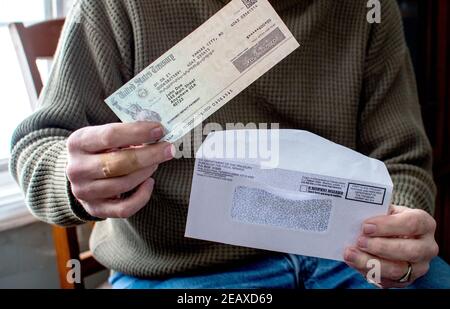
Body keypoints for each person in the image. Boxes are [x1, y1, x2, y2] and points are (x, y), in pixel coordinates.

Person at [9, 0, 450, 288]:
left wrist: (402, 231)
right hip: (181, 270)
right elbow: (38, 147)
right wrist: (74, 179)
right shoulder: (118, 5)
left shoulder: (367, 9)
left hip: (348, 261)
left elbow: (402, 160)